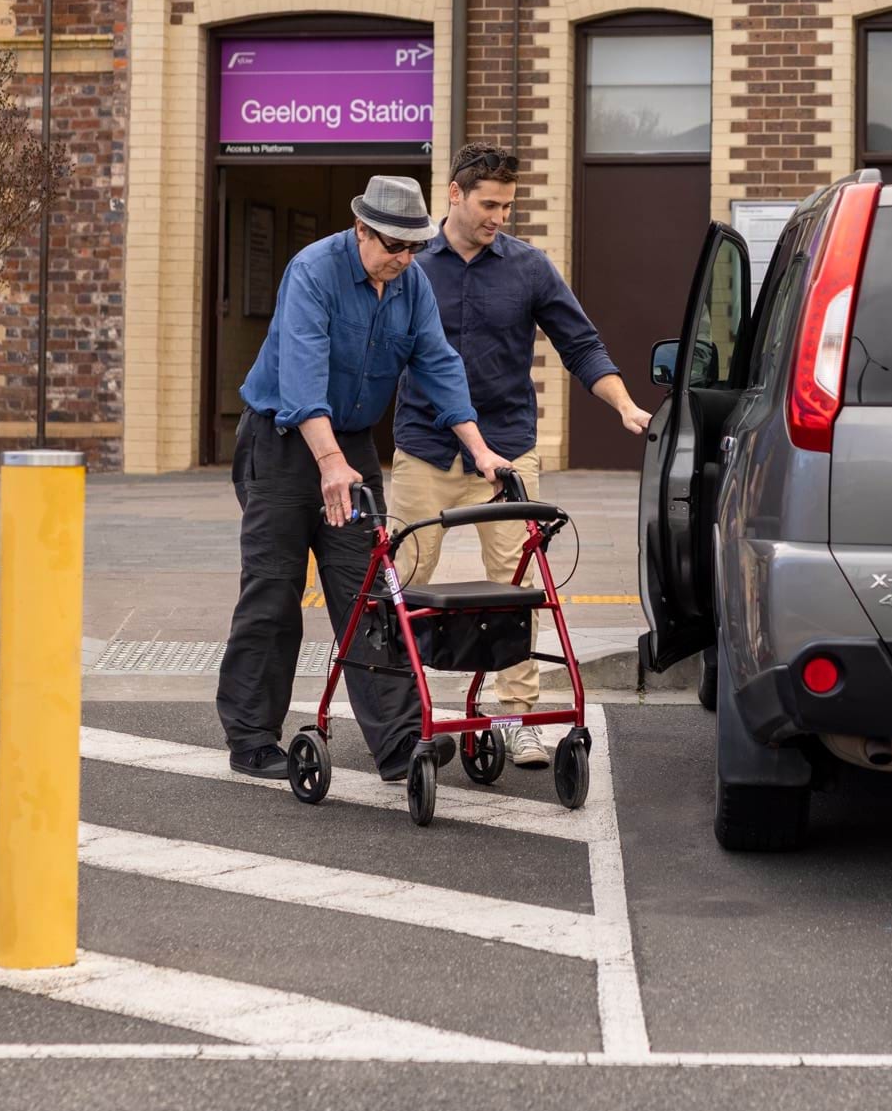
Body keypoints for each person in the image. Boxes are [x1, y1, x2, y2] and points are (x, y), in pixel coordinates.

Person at [217, 173, 510, 784]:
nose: (405, 259)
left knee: (371, 595)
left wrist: (481, 451)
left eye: (414, 248)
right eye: (394, 247)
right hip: (282, 441)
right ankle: (250, 736)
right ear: (361, 230)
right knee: (273, 591)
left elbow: (438, 365)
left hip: (346, 445)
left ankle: (400, 742)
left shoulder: (411, 286)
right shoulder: (314, 271)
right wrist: (327, 462)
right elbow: (300, 374)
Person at [389, 144, 651, 768]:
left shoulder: (528, 267)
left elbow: (581, 345)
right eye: (489, 204)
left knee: (517, 587)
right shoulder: (411, 264)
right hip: (425, 449)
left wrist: (623, 405)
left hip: (506, 453)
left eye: (508, 205)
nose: (500, 216)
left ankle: (517, 715)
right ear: (453, 194)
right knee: (405, 584)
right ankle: (399, 716)